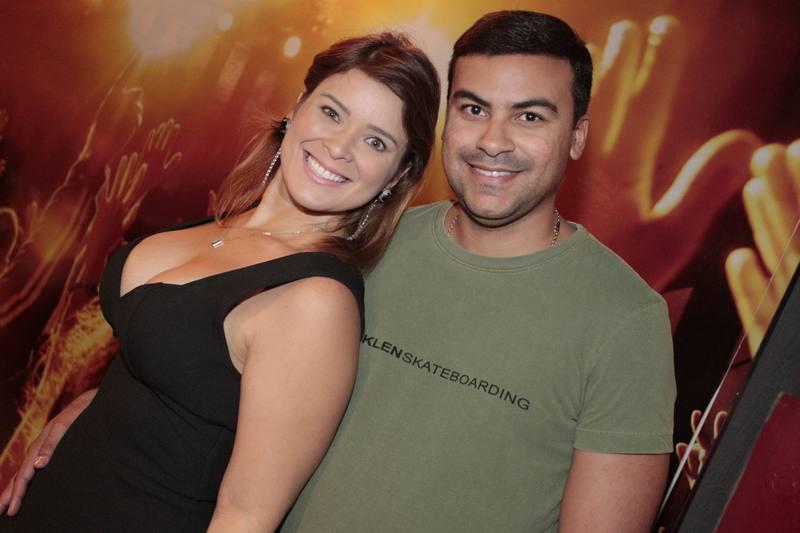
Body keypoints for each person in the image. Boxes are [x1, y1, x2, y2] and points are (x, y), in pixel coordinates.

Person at [3, 11, 675, 532]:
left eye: (530, 116)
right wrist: (103, 404)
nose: (493, 140)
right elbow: (218, 369)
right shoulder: (362, 244)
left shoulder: (623, 319)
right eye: (473, 108)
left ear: (578, 135)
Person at [0, 32, 440, 532]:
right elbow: (181, 377)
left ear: (397, 175)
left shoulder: (315, 301)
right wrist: (92, 402)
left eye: (376, 141)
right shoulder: (229, 223)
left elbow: (245, 517)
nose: (339, 147)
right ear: (297, 107)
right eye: (332, 113)